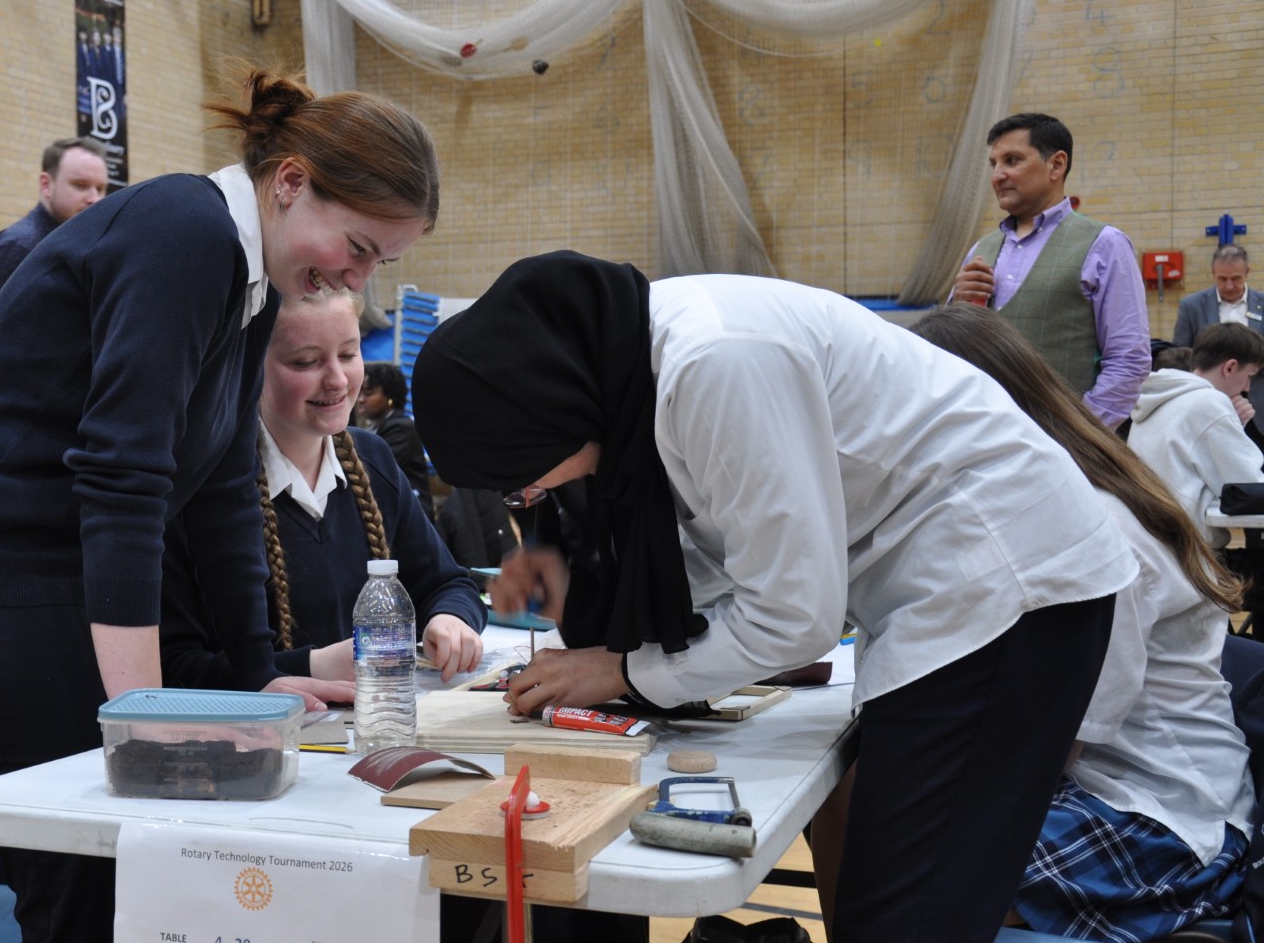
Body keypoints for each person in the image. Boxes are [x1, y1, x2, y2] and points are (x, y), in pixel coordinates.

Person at [411, 251, 1135, 943]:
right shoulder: (642, 368)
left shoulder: (711, 364)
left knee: (907, 917)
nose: (535, 492)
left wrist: (624, 671)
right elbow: (734, 558)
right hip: (958, 592)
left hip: (1003, 589)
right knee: (884, 899)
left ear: (550, 413)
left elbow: (793, 616)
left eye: (522, 479)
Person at [0, 66, 438, 941]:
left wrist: (254, 673)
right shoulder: (187, 234)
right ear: (290, 183)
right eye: (359, 247)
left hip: (48, 582)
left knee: (80, 857)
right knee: (85, 859)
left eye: (379, 263)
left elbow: (218, 486)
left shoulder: (255, 281)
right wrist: (146, 718)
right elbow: (124, 479)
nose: (356, 278)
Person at [912, 304, 1253, 940]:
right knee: (881, 810)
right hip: (1101, 778)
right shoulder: (1052, 498)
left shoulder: (1092, 524)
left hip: (1168, 812)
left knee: (917, 864)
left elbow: (1070, 728)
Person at [161, 289, 484, 687]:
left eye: (348, 354)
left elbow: (448, 582)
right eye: (305, 362)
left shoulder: (373, 460)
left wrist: (450, 618)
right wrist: (311, 666)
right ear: (249, 367)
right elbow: (173, 668)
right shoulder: (201, 483)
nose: (337, 380)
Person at [949, 113, 1150, 427]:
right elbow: (948, 352)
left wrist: (1081, 436)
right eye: (993, 164)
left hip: (1065, 442)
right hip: (981, 435)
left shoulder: (1105, 245)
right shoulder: (980, 250)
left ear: (1056, 165)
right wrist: (956, 306)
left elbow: (1129, 361)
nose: (997, 176)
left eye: (1012, 160)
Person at [0, 137, 110, 365]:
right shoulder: (18, 246)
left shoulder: (77, 248)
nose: (95, 199)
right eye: (80, 185)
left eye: (100, 189)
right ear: (46, 185)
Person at [1128, 322, 1264, 546]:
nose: (1247, 387)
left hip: (1151, 535)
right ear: (1230, 368)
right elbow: (1247, 486)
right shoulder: (1209, 402)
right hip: (1186, 544)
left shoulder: (1162, 395)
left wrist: (1235, 424)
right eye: (1249, 376)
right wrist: (1227, 419)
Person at [1175, 245, 1264, 444]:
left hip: (1259, 407)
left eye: (1236, 278)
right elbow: (1181, 354)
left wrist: (1247, 372)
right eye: (1222, 279)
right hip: (1209, 405)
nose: (1229, 285)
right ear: (1213, 273)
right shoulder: (1192, 306)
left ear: (1247, 272)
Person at [358, 361, 436, 519]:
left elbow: (374, 468)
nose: (360, 399)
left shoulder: (401, 428)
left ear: (390, 396)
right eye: (360, 393)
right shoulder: (376, 427)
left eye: (369, 393)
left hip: (412, 518)